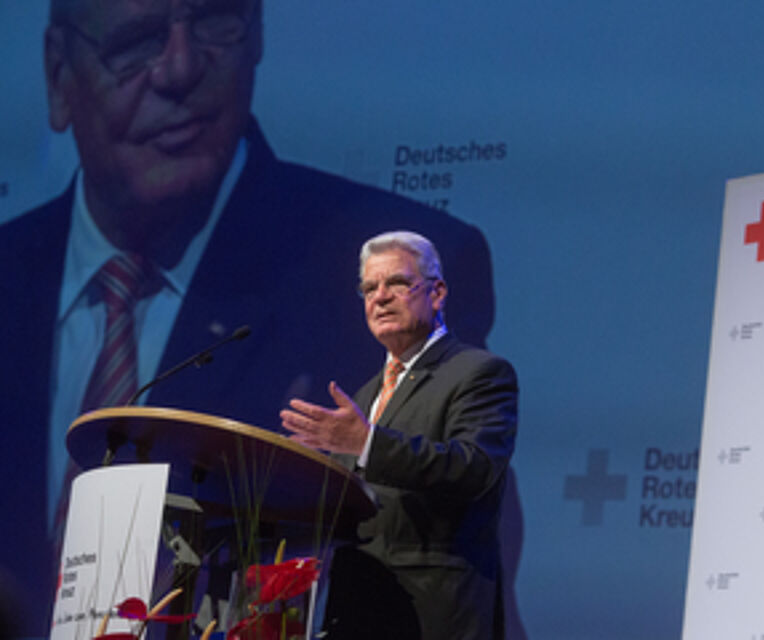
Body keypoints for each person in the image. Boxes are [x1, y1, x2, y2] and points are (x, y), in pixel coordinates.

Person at [0, 1, 494, 636]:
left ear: (257, 39)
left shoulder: (375, 285)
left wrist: (365, 447)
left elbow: (459, 507)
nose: (179, 68)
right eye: (135, 40)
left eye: (214, 21)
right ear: (58, 73)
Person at [281, 231, 518, 640]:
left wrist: (367, 445)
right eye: (370, 288)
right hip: (358, 606)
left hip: (434, 612)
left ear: (437, 292)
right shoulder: (364, 395)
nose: (380, 297)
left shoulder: (480, 373)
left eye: (397, 283)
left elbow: (473, 469)